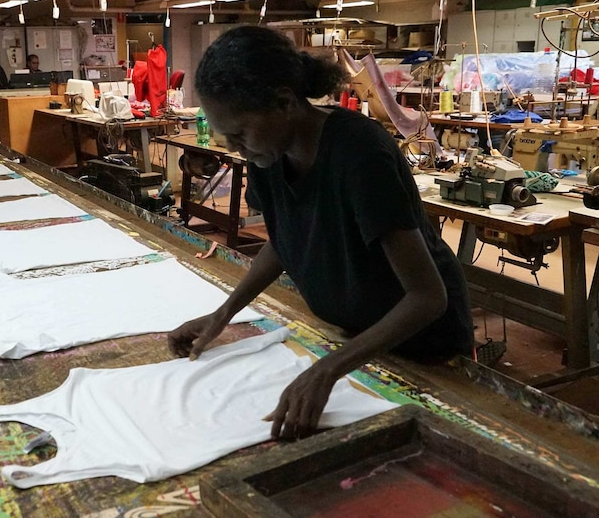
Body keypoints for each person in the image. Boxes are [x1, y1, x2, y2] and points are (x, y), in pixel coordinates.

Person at [167, 26, 473, 440]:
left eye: (240, 133)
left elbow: (427, 297)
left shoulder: (359, 154)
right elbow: (284, 239)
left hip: (418, 347)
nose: (236, 147)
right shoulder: (268, 155)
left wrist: (327, 370)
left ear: (284, 103)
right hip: (354, 341)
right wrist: (224, 313)